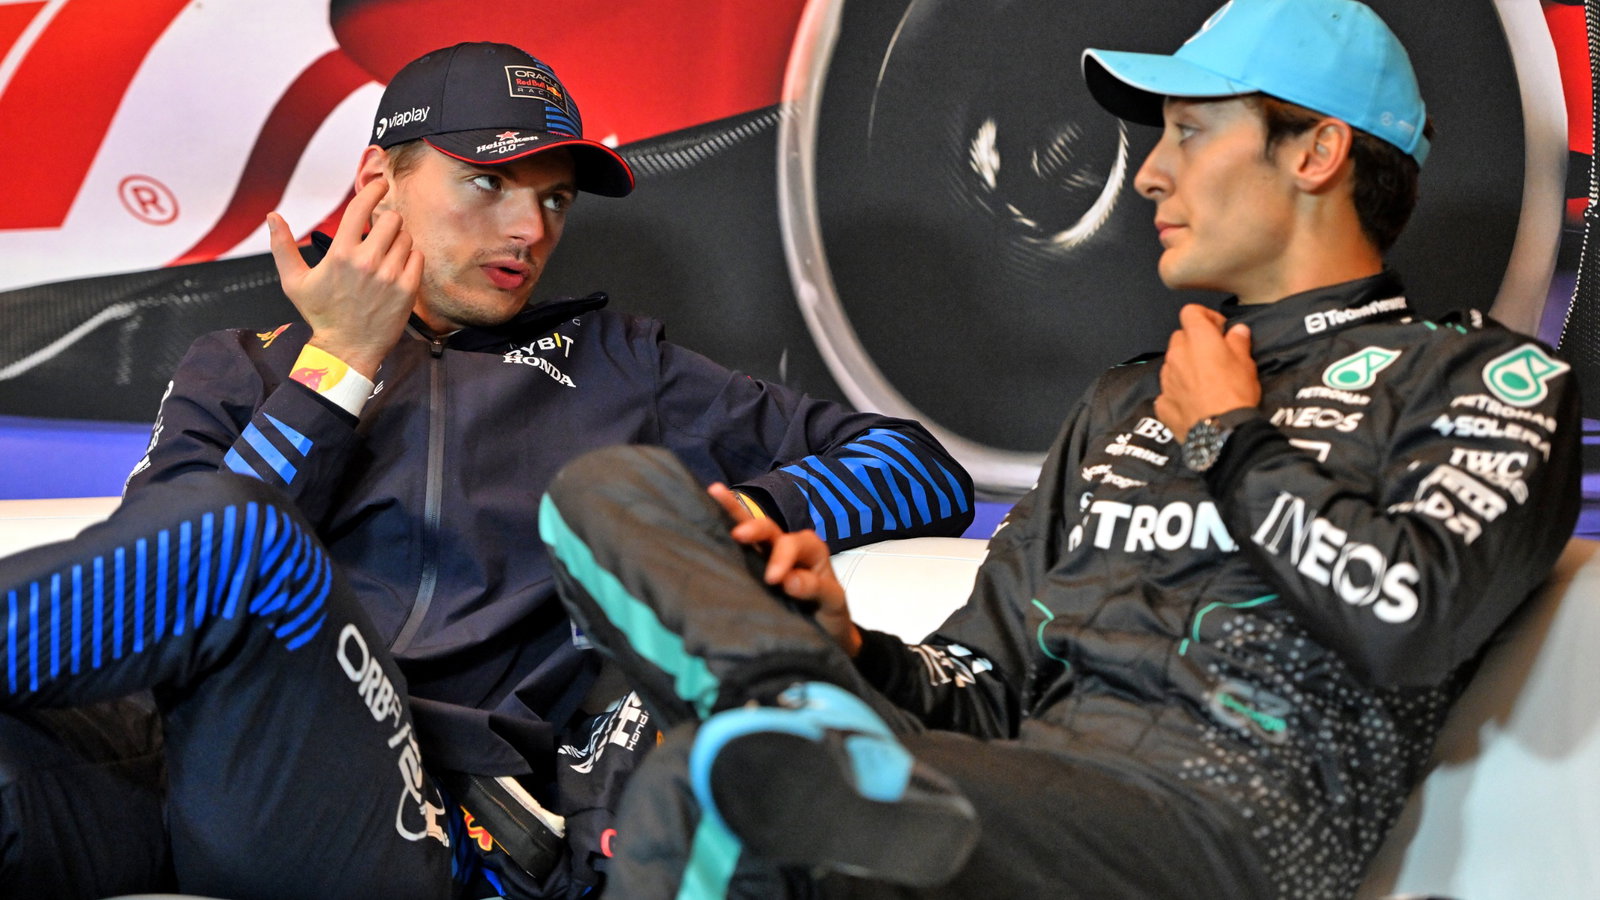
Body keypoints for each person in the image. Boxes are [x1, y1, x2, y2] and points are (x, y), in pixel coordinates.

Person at [535, 1, 1583, 897]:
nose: (1149, 175)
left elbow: (1408, 618)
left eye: (1188, 133)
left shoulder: (1482, 378)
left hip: (1217, 832)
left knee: (701, 785)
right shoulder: (1124, 399)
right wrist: (849, 645)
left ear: (1316, 152)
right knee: (608, 492)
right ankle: (788, 694)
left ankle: (784, 740)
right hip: (1002, 802)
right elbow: (980, 688)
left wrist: (1227, 437)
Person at [0, 42, 975, 900]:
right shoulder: (242, 366)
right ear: (379, 180)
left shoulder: (620, 365)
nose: (530, 230)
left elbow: (918, 466)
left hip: (418, 811)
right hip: (180, 770)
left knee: (244, 538)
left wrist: (722, 521)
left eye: (553, 198)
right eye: (489, 183)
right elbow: (159, 590)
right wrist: (337, 367)